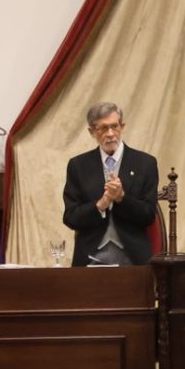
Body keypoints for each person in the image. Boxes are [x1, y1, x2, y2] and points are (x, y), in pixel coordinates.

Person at [62, 102, 159, 265]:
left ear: (122, 126)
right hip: (90, 257)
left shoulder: (145, 163)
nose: (110, 133)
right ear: (92, 132)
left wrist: (122, 198)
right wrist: (101, 204)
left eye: (115, 126)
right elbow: (71, 218)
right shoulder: (78, 165)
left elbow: (148, 215)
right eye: (103, 128)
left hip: (133, 258)